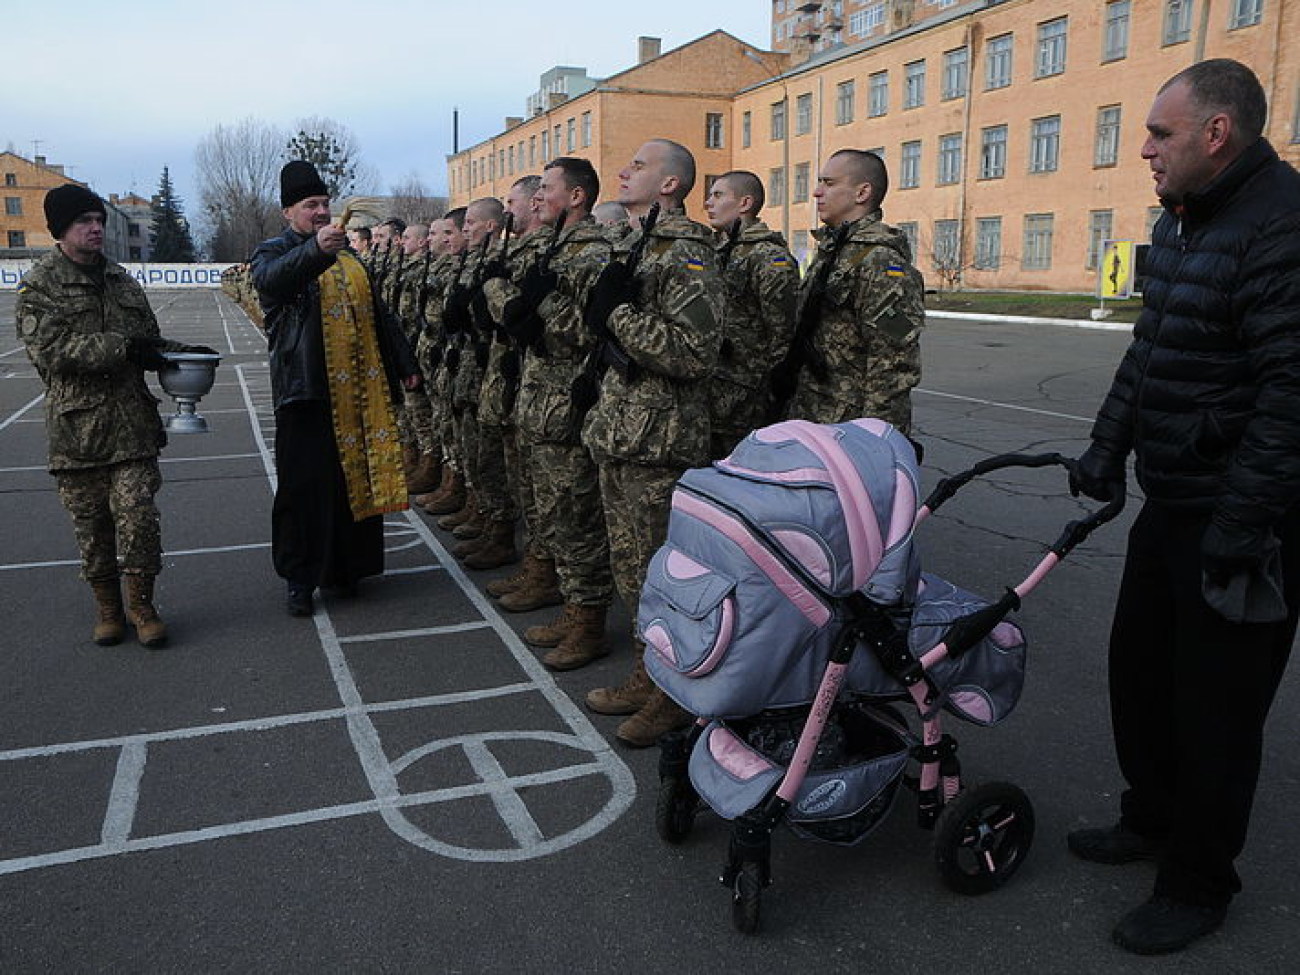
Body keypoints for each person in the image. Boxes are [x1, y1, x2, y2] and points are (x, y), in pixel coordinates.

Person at [1067, 59, 1300, 956]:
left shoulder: (1281, 225)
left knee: (1217, 709)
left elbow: (1290, 394)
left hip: (1247, 521)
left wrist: (1242, 527)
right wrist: (1106, 443)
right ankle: (1152, 817)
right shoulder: (1190, 220)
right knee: (1142, 676)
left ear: (1216, 135)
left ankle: (1200, 879)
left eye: (1161, 134)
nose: (1145, 151)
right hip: (1176, 502)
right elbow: (1151, 350)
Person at [580, 139, 723, 747]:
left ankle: (672, 693)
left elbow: (696, 352)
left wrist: (616, 316)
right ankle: (648, 672)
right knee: (632, 569)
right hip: (623, 429)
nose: (622, 171)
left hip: (659, 438)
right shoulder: (638, 244)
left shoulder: (686, 249)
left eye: (637, 166)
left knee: (660, 573)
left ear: (669, 184)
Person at [16, 185, 201, 648]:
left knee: (139, 518)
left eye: (98, 219)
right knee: (93, 528)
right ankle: (108, 609)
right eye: (84, 221)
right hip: (78, 432)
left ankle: (142, 607)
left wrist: (182, 356)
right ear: (60, 230)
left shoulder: (121, 280)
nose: (96, 227)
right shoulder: (41, 286)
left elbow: (146, 339)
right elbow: (51, 352)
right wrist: (125, 349)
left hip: (132, 426)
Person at [251, 161, 421, 617]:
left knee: (351, 484)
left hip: (358, 392)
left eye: (326, 204)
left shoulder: (349, 256)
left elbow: (379, 314)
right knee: (304, 490)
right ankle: (299, 579)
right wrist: (315, 253)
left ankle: (346, 569)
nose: (322, 212)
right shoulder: (273, 251)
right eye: (311, 206)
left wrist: (404, 362)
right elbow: (272, 282)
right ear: (289, 211)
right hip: (305, 392)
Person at [502, 157, 615, 665]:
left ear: (575, 197)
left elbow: (587, 331)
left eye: (546, 188)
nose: (536, 198)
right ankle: (569, 604)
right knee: (552, 510)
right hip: (539, 398)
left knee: (575, 516)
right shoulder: (553, 246)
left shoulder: (590, 252)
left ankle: (588, 622)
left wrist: (539, 308)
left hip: (568, 401)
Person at [775, 149, 924, 431]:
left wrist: (873, 438)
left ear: (862, 193)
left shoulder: (880, 261)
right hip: (812, 415)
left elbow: (893, 364)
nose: (817, 193)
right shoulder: (834, 252)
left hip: (849, 425)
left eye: (829, 184)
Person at [702, 170, 798, 458]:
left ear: (745, 203)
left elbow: (783, 335)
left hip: (745, 400)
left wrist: (768, 395)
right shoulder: (717, 251)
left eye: (718, 195)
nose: (708, 203)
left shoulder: (768, 257)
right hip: (712, 393)